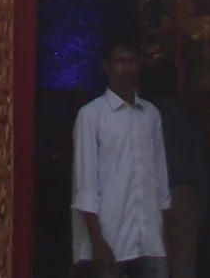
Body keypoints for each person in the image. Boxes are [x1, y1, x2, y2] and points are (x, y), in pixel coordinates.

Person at [72, 38, 171, 276]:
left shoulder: (151, 115)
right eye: (119, 62)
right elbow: (85, 186)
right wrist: (97, 242)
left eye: (132, 62)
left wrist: (163, 236)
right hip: (110, 239)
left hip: (149, 240)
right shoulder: (91, 115)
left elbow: (161, 180)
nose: (126, 69)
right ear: (106, 67)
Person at [139, 59, 209, 278]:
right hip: (184, 194)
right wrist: (203, 206)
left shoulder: (141, 120)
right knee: (185, 268)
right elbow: (200, 167)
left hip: (151, 196)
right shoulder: (188, 119)